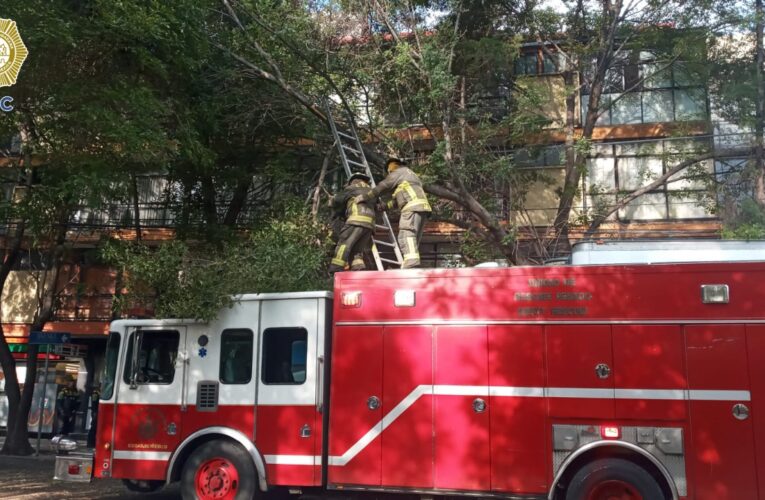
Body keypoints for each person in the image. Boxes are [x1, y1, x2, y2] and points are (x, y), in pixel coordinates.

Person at [355, 157, 431, 268]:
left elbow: (383, 186)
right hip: (422, 209)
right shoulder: (410, 176)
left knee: (406, 234)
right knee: (413, 238)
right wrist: (383, 207)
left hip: (411, 208)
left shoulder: (399, 172)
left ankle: (411, 261)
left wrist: (365, 196)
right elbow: (397, 201)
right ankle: (410, 262)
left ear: (392, 167)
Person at [328, 173, 377, 273]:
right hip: (369, 226)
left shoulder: (351, 188)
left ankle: (336, 267)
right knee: (357, 250)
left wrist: (331, 201)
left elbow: (337, 201)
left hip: (356, 220)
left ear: (352, 181)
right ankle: (358, 267)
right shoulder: (372, 191)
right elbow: (378, 207)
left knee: (344, 244)